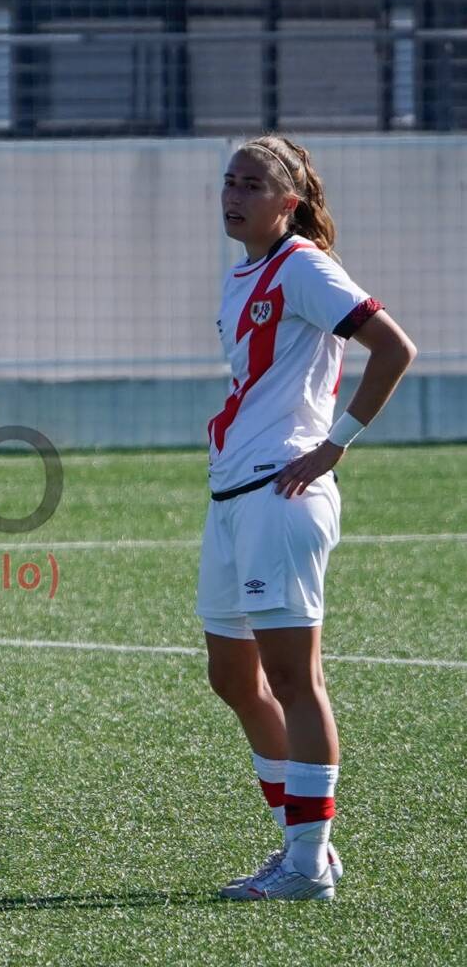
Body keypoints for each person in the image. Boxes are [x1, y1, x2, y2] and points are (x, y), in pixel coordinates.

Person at [201, 135, 416, 901]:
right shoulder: (241, 275)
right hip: (231, 495)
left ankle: (305, 864)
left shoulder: (302, 266)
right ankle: (301, 849)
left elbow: (392, 348)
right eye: (228, 181)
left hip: (280, 494)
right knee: (232, 679)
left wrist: (334, 446)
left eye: (251, 184)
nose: (233, 195)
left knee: (294, 677)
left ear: (286, 203)